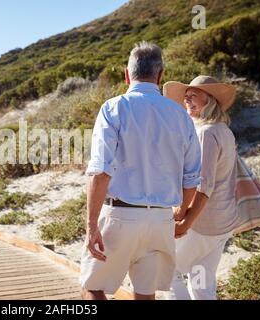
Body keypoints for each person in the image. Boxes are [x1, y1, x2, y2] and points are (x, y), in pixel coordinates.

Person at [80, 41, 202, 300]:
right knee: (146, 294)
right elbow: (192, 178)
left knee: (92, 287)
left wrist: (92, 226)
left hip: (121, 215)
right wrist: (179, 214)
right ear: (160, 76)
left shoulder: (113, 108)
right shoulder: (181, 116)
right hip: (160, 220)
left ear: (127, 74)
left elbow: (101, 172)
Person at [163, 75, 240, 300]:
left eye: (194, 96)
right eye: (186, 97)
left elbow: (203, 185)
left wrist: (185, 223)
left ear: (210, 100)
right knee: (201, 282)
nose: (187, 101)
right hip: (223, 222)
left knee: (168, 271)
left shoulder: (206, 133)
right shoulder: (224, 130)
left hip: (202, 224)